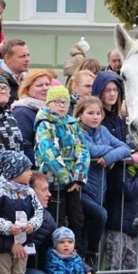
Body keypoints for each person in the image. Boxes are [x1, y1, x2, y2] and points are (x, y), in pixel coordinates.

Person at [76, 95, 131, 262]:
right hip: (82, 189)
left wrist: (109, 158)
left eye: (98, 113)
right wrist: (110, 151)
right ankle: (92, 253)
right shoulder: (77, 130)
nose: (95, 117)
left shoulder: (103, 131)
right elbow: (90, 150)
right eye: (90, 113)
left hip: (100, 190)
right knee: (100, 215)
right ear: (80, 114)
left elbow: (125, 148)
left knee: (90, 226)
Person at [35, 85, 90, 246]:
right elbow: (49, 152)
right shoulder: (44, 124)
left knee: (77, 220)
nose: (62, 106)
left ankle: (77, 259)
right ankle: (53, 261)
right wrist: (66, 179)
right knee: (56, 222)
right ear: (48, 104)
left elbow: (83, 150)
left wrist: (79, 177)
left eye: (65, 102)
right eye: (57, 102)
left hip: (74, 183)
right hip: (54, 183)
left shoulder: (73, 124)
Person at [102, 155, 138, 274]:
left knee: (130, 261)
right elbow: (129, 190)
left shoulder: (135, 172)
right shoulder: (119, 171)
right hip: (117, 222)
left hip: (132, 223)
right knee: (115, 260)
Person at [13, 68, 56, 164]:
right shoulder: (22, 112)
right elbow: (25, 146)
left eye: (47, 84)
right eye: (39, 85)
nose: (45, 88)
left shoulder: (52, 110)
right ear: (27, 89)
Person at [0, 39, 30, 106]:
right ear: (7, 58)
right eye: (22, 56)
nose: (27, 59)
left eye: (28, 55)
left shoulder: (30, 79)